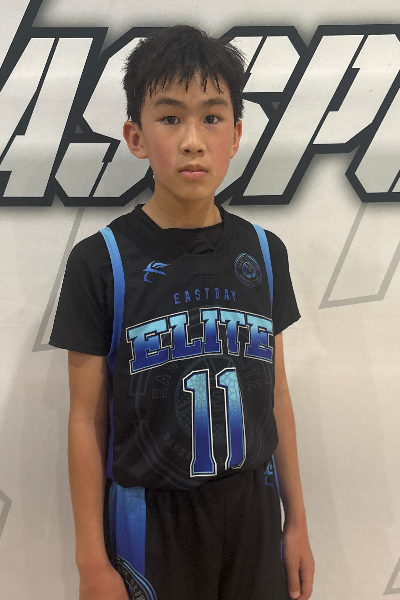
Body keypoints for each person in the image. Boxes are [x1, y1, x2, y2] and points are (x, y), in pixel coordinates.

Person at [50, 24, 315, 600]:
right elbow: (85, 421)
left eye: (212, 117)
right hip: (151, 520)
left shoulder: (266, 253)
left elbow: (277, 395)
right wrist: (90, 561)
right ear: (136, 136)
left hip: (254, 509)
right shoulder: (101, 261)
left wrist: (296, 521)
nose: (193, 140)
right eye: (170, 118)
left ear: (236, 134)